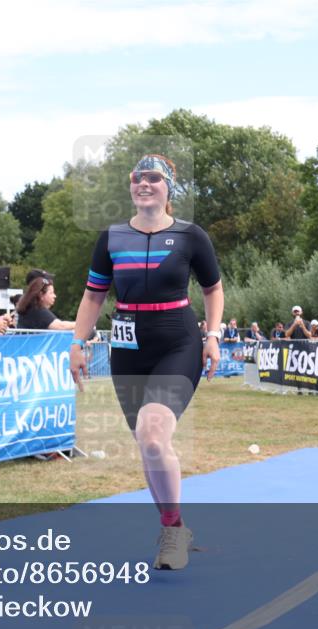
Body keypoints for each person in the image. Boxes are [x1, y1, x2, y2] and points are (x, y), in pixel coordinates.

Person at [69, 154, 224, 571]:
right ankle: (174, 525)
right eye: (138, 177)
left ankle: (172, 533)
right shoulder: (112, 237)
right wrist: (77, 342)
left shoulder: (191, 236)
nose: (144, 183)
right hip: (128, 348)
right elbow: (93, 295)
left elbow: (213, 289)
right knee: (146, 441)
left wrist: (212, 335)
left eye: (154, 178)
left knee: (154, 436)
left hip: (178, 341)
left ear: (168, 186)